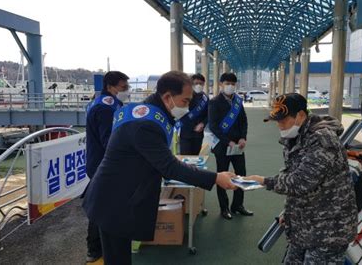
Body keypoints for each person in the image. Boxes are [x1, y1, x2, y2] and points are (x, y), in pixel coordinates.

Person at [82, 71, 236, 265]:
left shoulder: (147, 112)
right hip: (113, 202)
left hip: (117, 196)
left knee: (121, 257)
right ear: (167, 97)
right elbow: (170, 167)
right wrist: (215, 178)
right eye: (185, 101)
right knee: (118, 260)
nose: (188, 108)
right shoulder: (145, 125)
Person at [245, 93, 358, 264]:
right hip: (306, 223)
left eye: (284, 120)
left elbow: (300, 182)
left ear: (301, 116)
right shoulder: (295, 137)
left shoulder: (322, 139)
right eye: (277, 121)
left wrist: (263, 181)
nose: (280, 126)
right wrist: (290, 211)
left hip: (329, 230)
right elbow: (292, 175)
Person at [84, 71, 129, 262]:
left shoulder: (103, 101)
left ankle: (97, 246)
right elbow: (108, 140)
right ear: (111, 87)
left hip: (100, 162)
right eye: (123, 87)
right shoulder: (105, 108)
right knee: (100, 207)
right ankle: (95, 248)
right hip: (103, 164)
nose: (127, 91)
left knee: (101, 204)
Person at [208, 72, 252, 220]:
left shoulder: (238, 101)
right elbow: (213, 126)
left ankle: (238, 205)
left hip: (238, 147)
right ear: (221, 84)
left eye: (233, 84)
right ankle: (224, 208)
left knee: (241, 175)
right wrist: (228, 141)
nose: (230, 86)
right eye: (227, 83)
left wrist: (242, 138)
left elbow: (244, 121)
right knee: (222, 176)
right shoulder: (214, 102)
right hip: (222, 146)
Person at [177, 73, 208, 155]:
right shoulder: (185, 96)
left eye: (200, 83)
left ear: (204, 84)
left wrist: (203, 123)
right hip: (185, 134)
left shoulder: (205, 98)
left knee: (195, 158)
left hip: (198, 134)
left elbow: (208, 114)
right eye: (196, 83)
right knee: (185, 159)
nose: (198, 85)